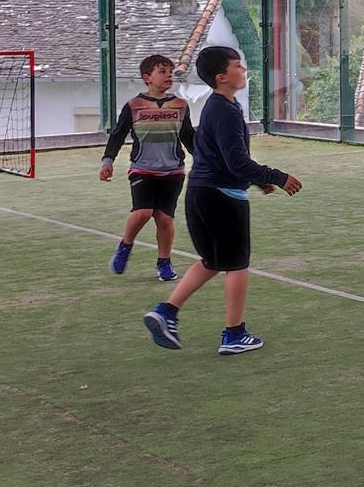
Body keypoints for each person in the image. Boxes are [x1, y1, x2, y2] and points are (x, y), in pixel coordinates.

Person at [142, 46, 298, 357]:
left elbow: (214, 156)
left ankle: (166, 311)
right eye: (238, 66)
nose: (244, 70)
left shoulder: (216, 107)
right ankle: (234, 334)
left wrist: (256, 180)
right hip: (221, 199)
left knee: (214, 261)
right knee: (237, 264)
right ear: (222, 77)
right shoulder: (225, 111)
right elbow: (236, 162)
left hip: (202, 193)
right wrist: (277, 177)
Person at [100, 53, 195, 282]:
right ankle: (125, 246)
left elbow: (189, 137)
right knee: (142, 212)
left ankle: (164, 263)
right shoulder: (134, 105)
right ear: (147, 78)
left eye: (170, 72)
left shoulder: (180, 105)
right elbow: (118, 134)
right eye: (162, 72)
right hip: (142, 169)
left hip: (173, 172)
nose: (168, 76)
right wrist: (108, 161)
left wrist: (203, 160)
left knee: (164, 219)